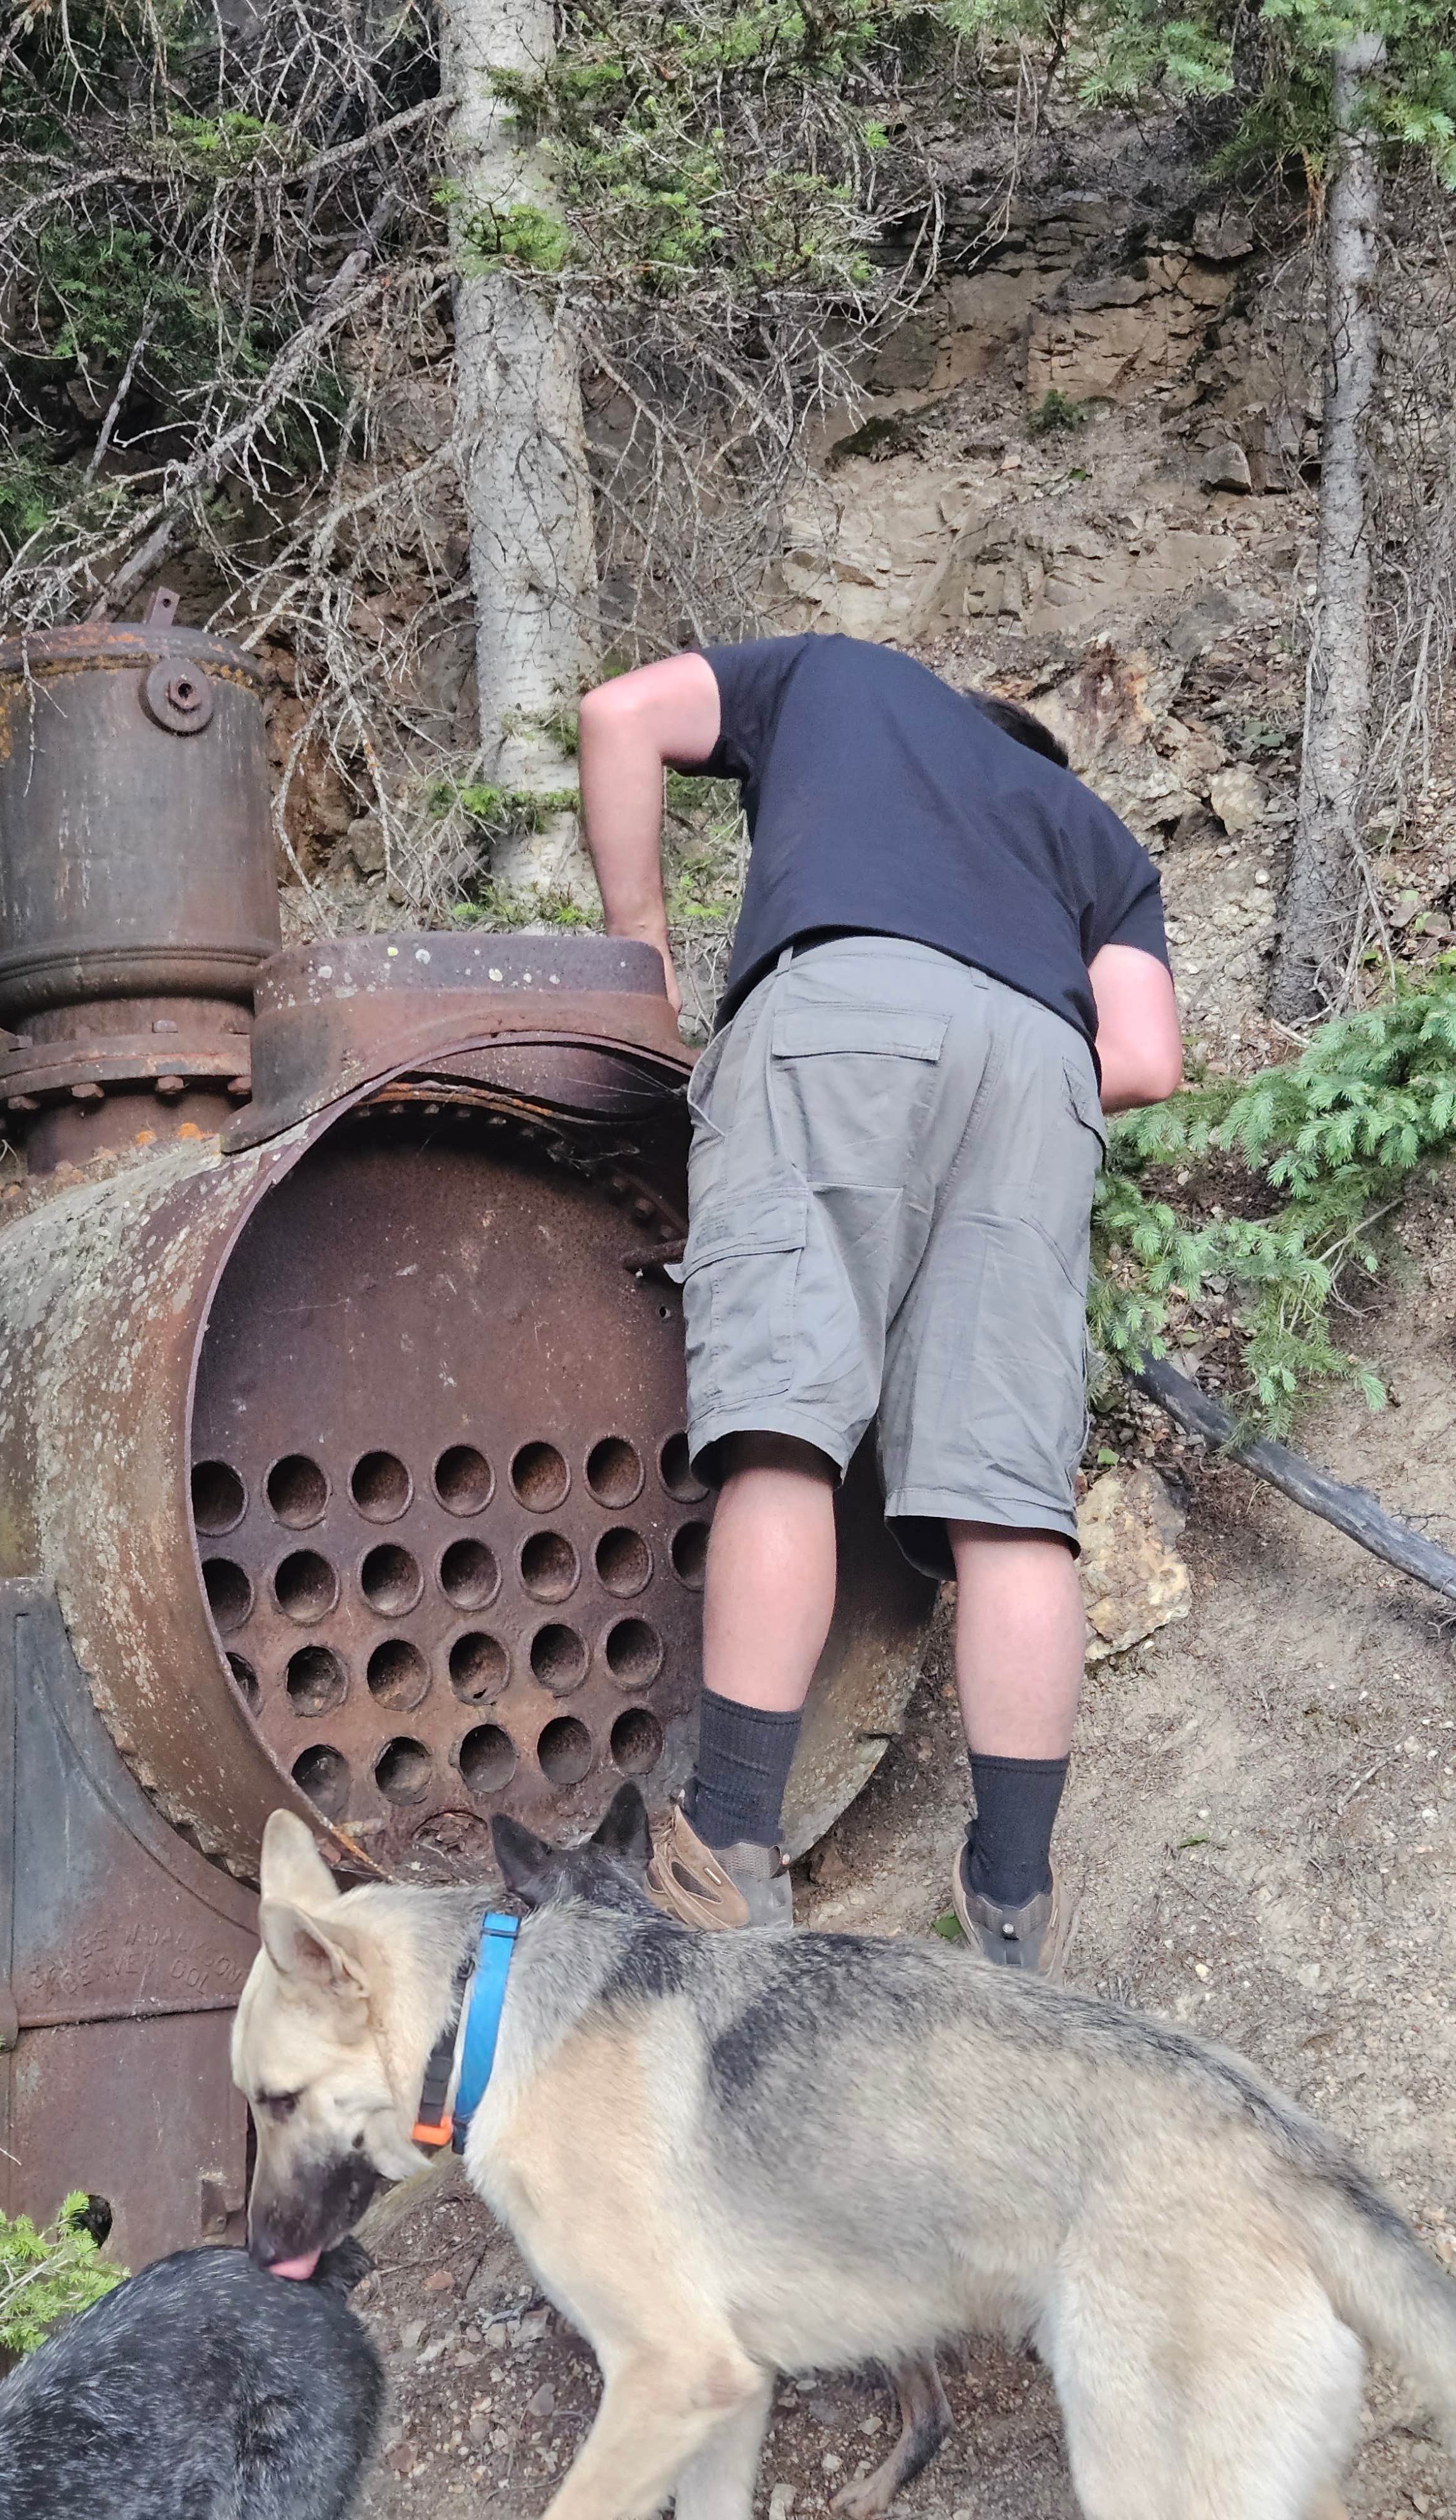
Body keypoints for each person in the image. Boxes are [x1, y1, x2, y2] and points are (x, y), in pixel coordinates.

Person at [576, 634, 1182, 1970]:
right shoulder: (1094, 832)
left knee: (785, 1429)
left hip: (840, 1004)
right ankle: (1014, 1904)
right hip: (1039, 1064)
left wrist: (642, 959)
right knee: (1009, 1501)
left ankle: (732, 1840)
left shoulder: (833, 677)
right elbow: (1142, 1056)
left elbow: (618, 716)